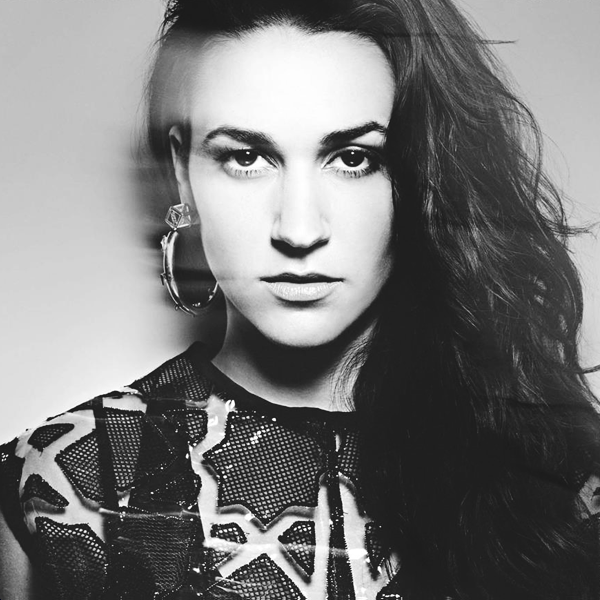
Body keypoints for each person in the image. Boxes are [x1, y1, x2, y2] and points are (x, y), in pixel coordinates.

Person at [1, 0, 600, 598]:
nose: (299, 229)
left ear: (422, 172)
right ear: (183, 169)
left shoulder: (559, 475)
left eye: (353, 158)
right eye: (247, 158)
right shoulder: (59, 484)